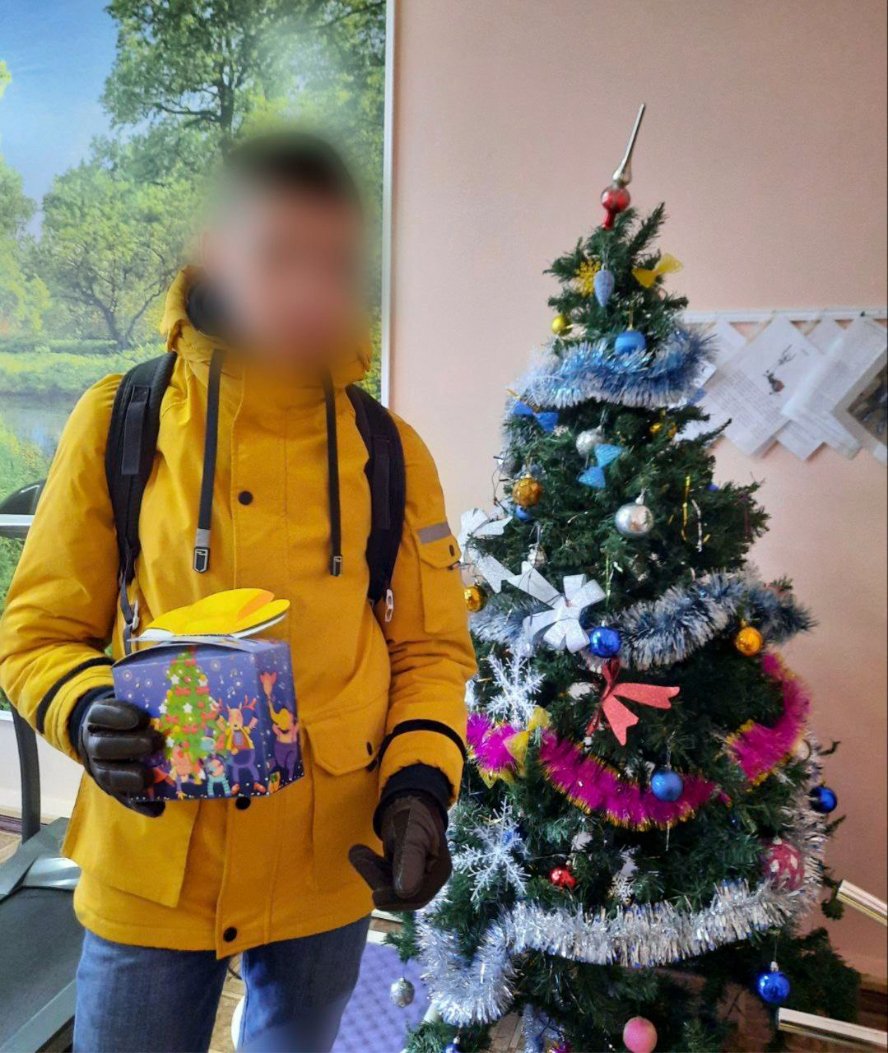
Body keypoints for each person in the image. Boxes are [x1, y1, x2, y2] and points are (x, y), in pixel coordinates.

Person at [0, 132, 475, 1053]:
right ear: (213, 248)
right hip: (154, 859)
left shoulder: (390, 450)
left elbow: (430, 650)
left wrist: (420, 786)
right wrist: (86, 709)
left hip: (328, 864)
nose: (309, 291)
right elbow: (38, 631)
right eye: (279, 254)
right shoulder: (119, 420)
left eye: (334, 262)